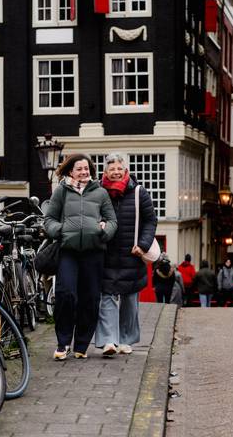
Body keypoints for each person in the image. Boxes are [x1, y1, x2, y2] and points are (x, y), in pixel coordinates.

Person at [44, 153, 117, 360]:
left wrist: (104, 231)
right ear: (70, 171)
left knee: (90, 298)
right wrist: (60, 230)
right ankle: (63, 343)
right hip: (68, 252)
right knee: (66, 294)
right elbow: (48, 219)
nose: (84, 172)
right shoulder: (61, 192)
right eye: (79, 169)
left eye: (87, 169)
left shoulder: (101, 193)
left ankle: (82, 345)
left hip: (94, 252)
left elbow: (112, 221)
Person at [95, 152, 157, 357]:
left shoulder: (139, 192)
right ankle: (108, 341)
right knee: (107, 298)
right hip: (106, 254)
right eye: (111, 169)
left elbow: (150, 221)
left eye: (119, 169)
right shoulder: (97, 192)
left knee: (130, 300)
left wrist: (143, 244)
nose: (115, 172)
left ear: (126, 171)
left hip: (132, 255)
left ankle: (126, 340)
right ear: (105, 172)